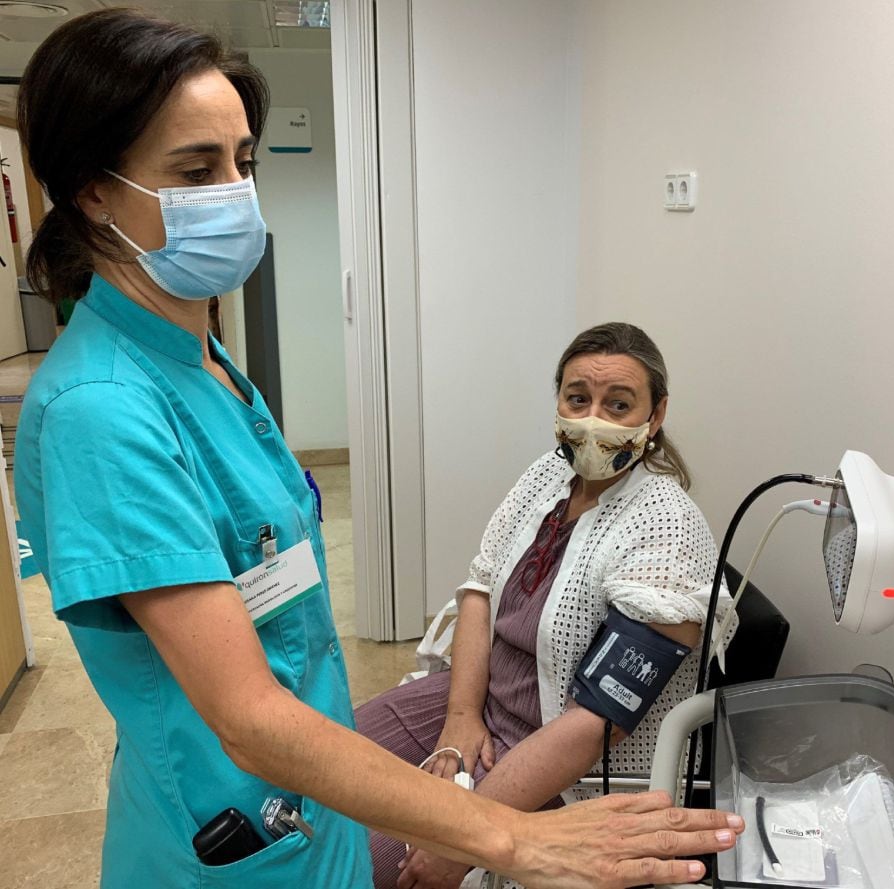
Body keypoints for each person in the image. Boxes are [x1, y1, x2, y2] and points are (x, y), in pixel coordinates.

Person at [12, 11, 744, 888]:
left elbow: (597, 711)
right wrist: (496, 821)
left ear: (659, 414)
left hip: (321, 792)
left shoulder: (203, 362)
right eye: (196, 169)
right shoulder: (105, 410)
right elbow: (261, 707)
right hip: (240, 827)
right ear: (92, 188)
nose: (240, 193)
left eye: (244, 161)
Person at [357, 322, 736, 889]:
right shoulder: (546, 476)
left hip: (564, 761)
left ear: (655, 416)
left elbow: (599, 721)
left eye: (619, 404)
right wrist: (460, 719)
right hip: (474, 701)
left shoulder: (667, 530)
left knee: (357, 863)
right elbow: (479, 590)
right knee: (319, 777)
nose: (593, 419)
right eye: (578, 399)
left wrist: (467, 836)